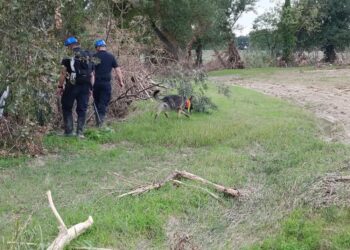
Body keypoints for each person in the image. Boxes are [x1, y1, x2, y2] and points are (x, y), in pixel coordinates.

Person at [57, 36, 94, 138]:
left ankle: (69, 132)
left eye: (67, 46)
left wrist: (60, 86)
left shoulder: (68, 56)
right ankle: (80, 133)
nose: (67, 48)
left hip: (72, 84)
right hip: (86, 84)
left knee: (66, 106)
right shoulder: (88, 54)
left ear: (70, 45)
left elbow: (63, 73)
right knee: (82, 108)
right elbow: (92, 74)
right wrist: (91, 88)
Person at [93, 39, 124, 127]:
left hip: (96, 83)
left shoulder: (94, 57)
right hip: (106, 84)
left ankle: (98, 123)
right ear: (104, 47)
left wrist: (90, 84)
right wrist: (120, 81)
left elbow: (91, 72)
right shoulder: (111, 56)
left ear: (97, 48)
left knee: (96, 102)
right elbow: (118, 70)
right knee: (103, 103)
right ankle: (101, 124)